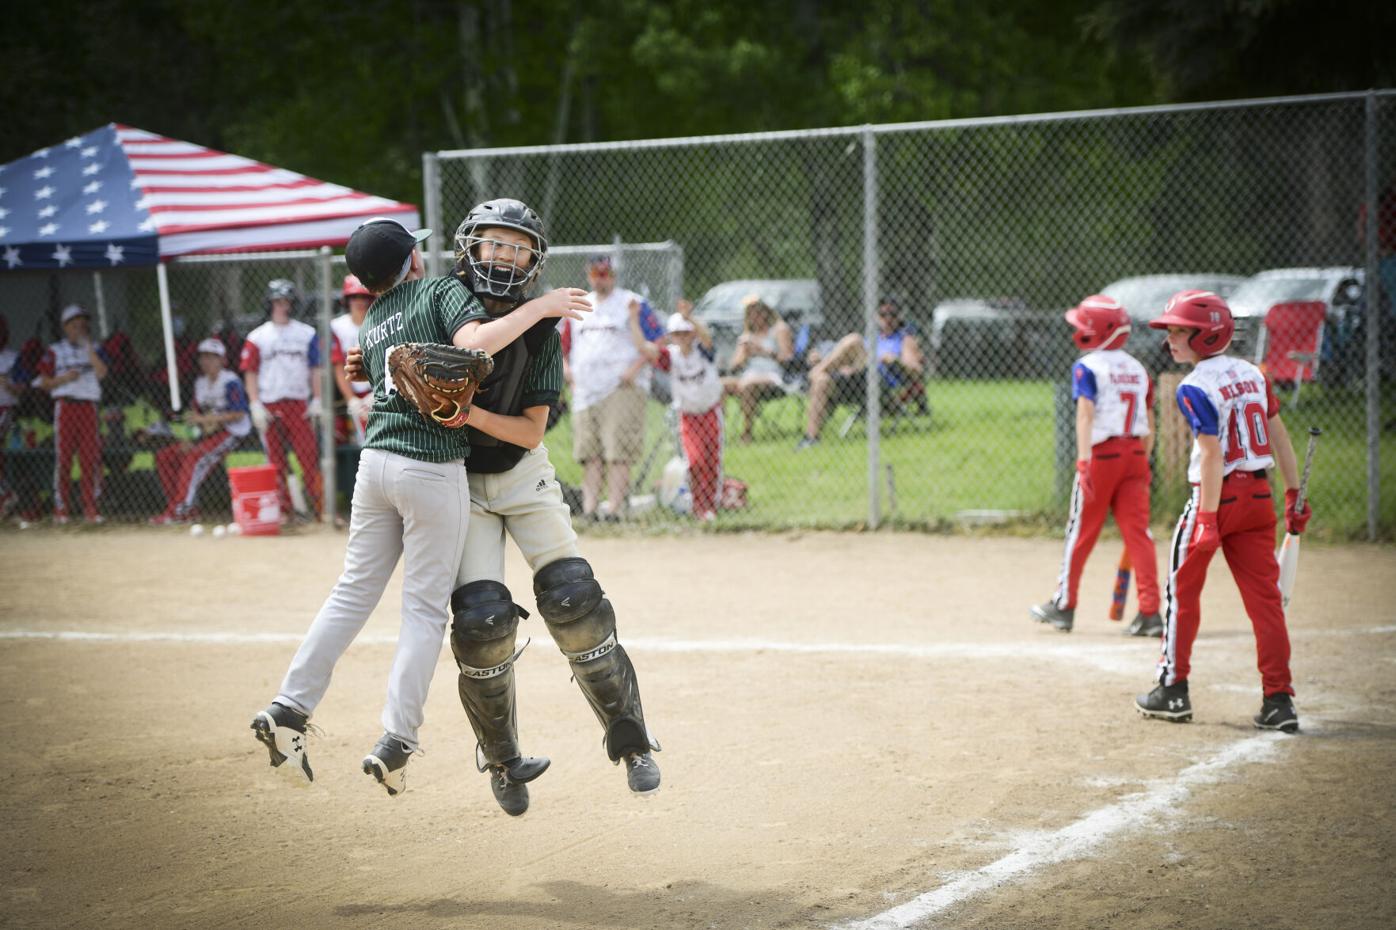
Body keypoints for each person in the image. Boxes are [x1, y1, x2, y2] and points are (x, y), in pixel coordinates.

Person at [251, 216, 591, 797]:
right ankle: (396, 741)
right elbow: (476, 344)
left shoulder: (375, 317)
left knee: (352, 591)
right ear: (412, 262)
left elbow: (382, 366)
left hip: (374, 465)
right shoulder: (438, 291)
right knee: (425, 611)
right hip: (430, 468)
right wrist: (543, 306)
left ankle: (289, 708)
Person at [347, 199, 661, 815]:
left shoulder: (541, 328)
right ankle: (502, 758)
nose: (505, 256)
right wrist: (366, 360)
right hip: (455, 481)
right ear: (470, 247)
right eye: (494, 243)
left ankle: (631, 740)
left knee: (574, 599)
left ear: (534, 259)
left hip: (520, 473)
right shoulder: (438, 299)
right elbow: (391, 352)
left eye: (518, 247)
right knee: (483, 621)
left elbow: (531, 433)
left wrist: (469, 414)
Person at [1134, 290, 1311, 732]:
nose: (1170, 339)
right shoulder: (1253, 372)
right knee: (1267, 603)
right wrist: (1293, 493)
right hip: (1258, 499)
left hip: (1215, 498)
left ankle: (1172, 690)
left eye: (1180, 331)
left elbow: (1212, 456)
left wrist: (1208, 520)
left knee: (1181, 593)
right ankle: (1279, 700)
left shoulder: (1194, 386)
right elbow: (1279, 436)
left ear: (1207, 336)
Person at [1030, 295, 1162, 636]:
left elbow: (1086, 415)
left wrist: (1084, 462)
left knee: (1081, 532)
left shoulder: (1087, 366)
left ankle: (1064, 605)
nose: (1077, 330)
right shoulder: (1138, 368)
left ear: (1096, 332)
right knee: (1139, 535)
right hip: (1135, 454)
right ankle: (1150, 612)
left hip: (1101, 455)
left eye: (1082, 325)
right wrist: (1143, 461)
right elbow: (1149, 420)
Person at [562, 255, 660, 520]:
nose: (600, 278)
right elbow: (564, 346)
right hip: (585, 390)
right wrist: (567, 369)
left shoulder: (632, 302)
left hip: (621, 387)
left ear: (613, 276)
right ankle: (591, 510)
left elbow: (657, 341)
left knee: (618, 452)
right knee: (590, 453)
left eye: (605, 273)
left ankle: (615, 509)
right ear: (588, 275)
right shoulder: (580, 306)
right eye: (595, 273)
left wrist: (634, 368)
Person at [239, 279, 325, 522]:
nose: (282, 306)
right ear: (269, 304)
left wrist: (316, 399)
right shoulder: (258, 336)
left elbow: (315, 369)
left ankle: (321, 509)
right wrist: (255, 404)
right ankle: (286, 510)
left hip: (298, 404)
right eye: (277, 301)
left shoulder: (306, 333)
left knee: (308, 457)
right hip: (269, 404)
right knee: (275, 461)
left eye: (286, 301)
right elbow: (251, 372)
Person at [630, 299, 724, 521]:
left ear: (692, 334)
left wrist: (689, 318)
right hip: (689, 416)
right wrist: (634, 319)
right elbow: (644, 347)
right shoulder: (671, 356)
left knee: (712, 461)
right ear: (671, 335)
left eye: (686, 333)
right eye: (677, 333)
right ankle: (698, 504)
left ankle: (710, 507)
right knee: (695, 461)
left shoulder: (703, 351)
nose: (682, 337)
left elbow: (707, 337)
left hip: (710, 412)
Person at [798, 298, 923, 449]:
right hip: (856, 382)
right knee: (822, 380)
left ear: (899, 316)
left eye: (892, 314)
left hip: (879, 386)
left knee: (854, 340)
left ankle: (812, 374)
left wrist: (895, 360)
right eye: (883, 314)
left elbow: (917, 371)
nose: (888, 319)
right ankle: (811, 438)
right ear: (877, 317)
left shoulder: (904, 339)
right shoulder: (872, 337)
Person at [150, 339, 251, 525]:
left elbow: (238, 413)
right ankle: (187, 509)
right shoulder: (200, 383)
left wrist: (205, 421)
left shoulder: (230, 381)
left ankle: (179, 511)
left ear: (222, 360)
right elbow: (196, 416)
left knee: (195, 458)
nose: (207, 361)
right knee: (165, 456)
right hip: (207, 434)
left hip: (232, 432)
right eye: (204, 357)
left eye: (213, 357)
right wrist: (192, 437)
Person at [34, 305, 108, 524]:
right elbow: (43, 382)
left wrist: (89, 349)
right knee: (64, 458)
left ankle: (90, 509)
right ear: (65, 327)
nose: (80, 327)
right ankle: (61, 508)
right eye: (74, 324)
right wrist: (63, 379)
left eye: (83, 323)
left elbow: (102, 372)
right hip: (65, 406)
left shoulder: (94, 347)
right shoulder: (55, 350)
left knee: (89, 459)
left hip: (89, 407)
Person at [720, 296, 794, 443]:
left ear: (766, 311)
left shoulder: (779, 329)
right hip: (747, 376)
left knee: (748, 385)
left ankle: (747, 433)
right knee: (720, 384)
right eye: (750, 313)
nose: (754, 316)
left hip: (773, 377)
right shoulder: (746, 336)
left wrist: (763, 351)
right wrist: (744, 354)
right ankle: (719, 430)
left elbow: (788, 359)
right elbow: (734, 366)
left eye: (758, 311)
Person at [330, 274, 375, 444]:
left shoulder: (377, 321)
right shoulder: (338, 326)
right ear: (347, 300)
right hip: (352, 391)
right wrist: (352, 399)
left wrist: (376, 395)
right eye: (354, 296)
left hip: (377, 391)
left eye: (363, 296)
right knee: (362, 442)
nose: (360, 301)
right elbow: (338, 366)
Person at [0, 315, 21, 517]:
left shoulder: (12, 358)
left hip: (6, 408)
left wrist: (7, 383)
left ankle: (5, 495)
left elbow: (23, 391)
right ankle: (5, 493)